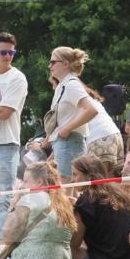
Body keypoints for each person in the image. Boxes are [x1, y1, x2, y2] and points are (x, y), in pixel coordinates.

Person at [0, 32, 29, 242]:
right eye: (3, 52)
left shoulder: (17, 78)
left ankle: (6, 242)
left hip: (6, 144)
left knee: (4, 196)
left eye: (11, 52)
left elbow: (4, 113)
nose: (8, 56)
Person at [69, 155, 130, 259]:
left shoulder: (85, 201)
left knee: (69, 248)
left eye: (75, 174)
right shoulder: (118, 194)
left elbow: (74, 243)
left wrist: (74, 211)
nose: (72, 179)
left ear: (89, 176)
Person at [42, 47, 95, 181]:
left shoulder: (71, 85)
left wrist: (67, 128)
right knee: (68, 191)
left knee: (66, 190)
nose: (49, 66)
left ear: (65, 64)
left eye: (53, 62)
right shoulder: (62, 86)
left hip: (69, 142)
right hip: (65, 143)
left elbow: (91, 110)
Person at [81, 84, 126, 176]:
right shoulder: (94, 101)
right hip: (115, 135)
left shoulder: (79, 102)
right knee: (113, 180)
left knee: (101, 182)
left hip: (99, 139)